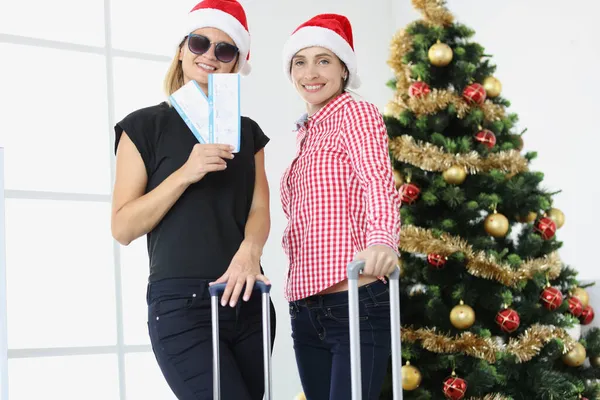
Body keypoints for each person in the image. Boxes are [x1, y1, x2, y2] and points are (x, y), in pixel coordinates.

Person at [110, 1, 275, 399]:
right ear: (182, 49)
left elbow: (259, 208)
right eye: (200, 43)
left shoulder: (247, 133)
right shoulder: (143, 126)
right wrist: (186, 172)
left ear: (236, 63)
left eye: (225, 50)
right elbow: (123, 227)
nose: (210, 57)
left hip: (249, 297)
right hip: (181, 305)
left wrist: (250, 250)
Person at [280, 13, 402, 400]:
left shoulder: (356, 113)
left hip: (354, 301)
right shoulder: (306, 131)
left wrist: (382, 241)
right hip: (304, 309)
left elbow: (377, 181)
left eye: (323, 60)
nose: (310, 72)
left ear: (343, 68)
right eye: (300, 61)